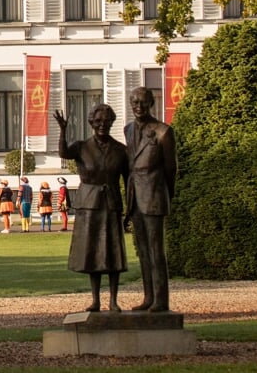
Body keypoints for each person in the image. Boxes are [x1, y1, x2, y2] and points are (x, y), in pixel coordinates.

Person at [55, 102, 130, 312]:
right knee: (93, 252)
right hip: (88, 204)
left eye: (106, 121)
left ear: (112, 123)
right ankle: (95, 299)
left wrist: (130, 209)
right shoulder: (81, 147)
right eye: (98, 121)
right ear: (91, 123)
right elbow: (63, 153)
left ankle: (113, 300)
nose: (102, 125)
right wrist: (63, 130)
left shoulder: (121, 150)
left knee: (113, 252)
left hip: (111, 203)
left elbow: (129, 180)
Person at [124, 86, 177, 312]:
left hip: (154, 195)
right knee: (143, 250)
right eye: (135, 103)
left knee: (156, 250)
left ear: (151, 104)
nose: (138, 107)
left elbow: (171, 169)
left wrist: (165, 194)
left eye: (143, 103)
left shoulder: (163, 132)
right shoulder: (128, 130)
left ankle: (161, 300)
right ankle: (148, 297)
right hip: (136, 196)